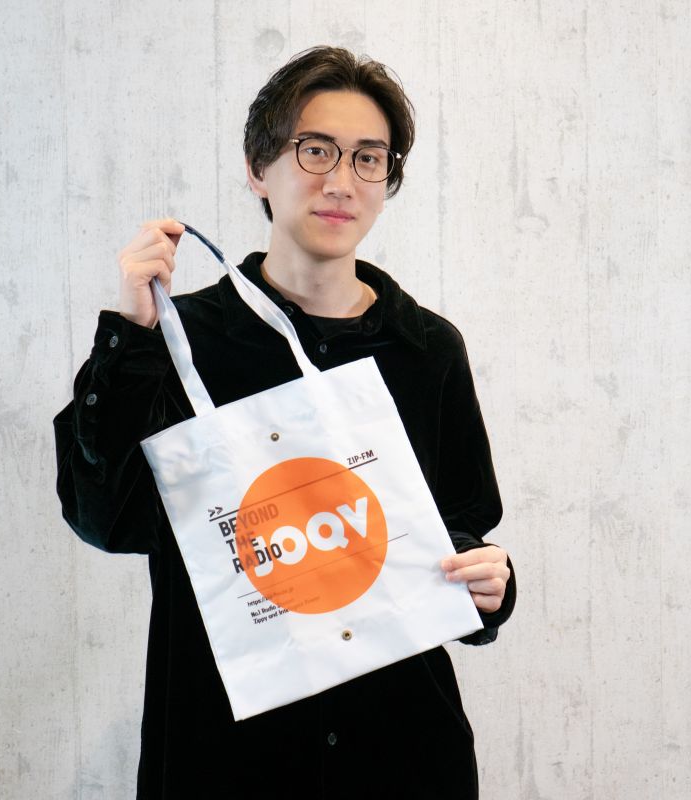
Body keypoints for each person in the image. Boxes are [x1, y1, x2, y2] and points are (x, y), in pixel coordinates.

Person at [54, 46, 515, 799]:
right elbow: (105, 519)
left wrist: (491, 582)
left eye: (369, 158)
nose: (341, 180)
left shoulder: (427, 349)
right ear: (257, 167)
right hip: (228, 757)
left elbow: (462, 530)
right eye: (315, 150)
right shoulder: (178, 340)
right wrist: (131, 340)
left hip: (399, 752)